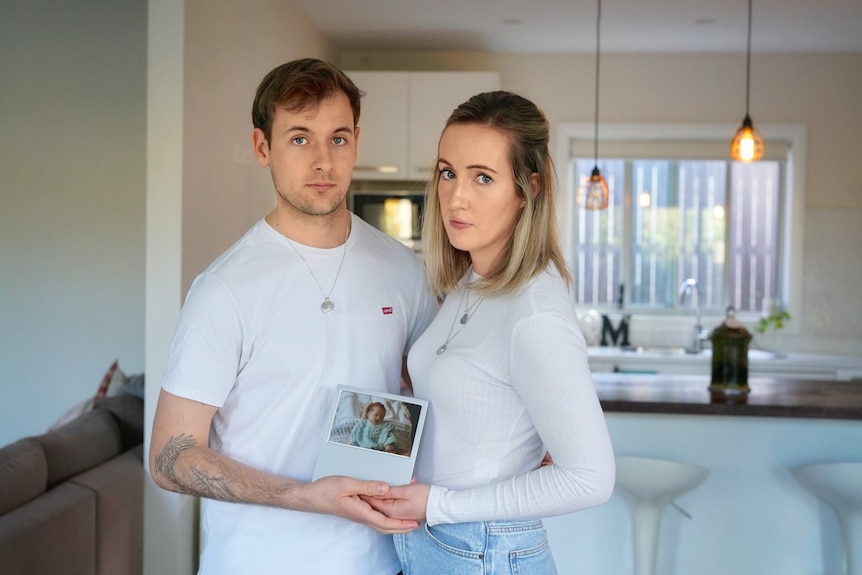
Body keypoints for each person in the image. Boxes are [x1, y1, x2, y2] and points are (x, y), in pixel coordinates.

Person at [148, 58, 438, 575]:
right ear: (263, 148)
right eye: (300, 139)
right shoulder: (224, 289)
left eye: (339, 139)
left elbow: (432, 395)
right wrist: (305, 495)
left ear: (357, 142)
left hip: (382, 560)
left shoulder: (402, 270)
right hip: (257, 562)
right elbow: (170, 458)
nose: (324, 161)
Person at [366, 91, 617, 574]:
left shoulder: (534, 315)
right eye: (448, 173)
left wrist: (437, 505)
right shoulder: (470, 283)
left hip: (482, 550)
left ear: (529, 189)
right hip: (438, 544)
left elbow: (590, 478)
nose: (456, 197)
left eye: (483, 177)